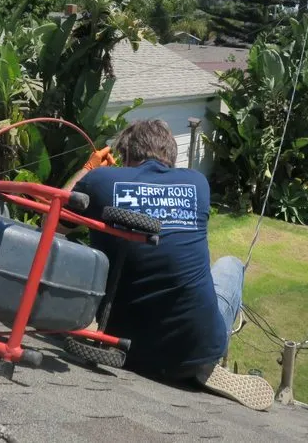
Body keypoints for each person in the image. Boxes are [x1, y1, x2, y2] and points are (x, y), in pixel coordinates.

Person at [63, 119, 275, 411]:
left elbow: (57, 218)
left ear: (126, 155)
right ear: (171, 158)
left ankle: (188, 353)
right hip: (194, 347)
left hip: (125, 347)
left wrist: (88, 170)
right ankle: (207, 359)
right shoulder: (197, 184)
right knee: (230, 265)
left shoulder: (101, 182)